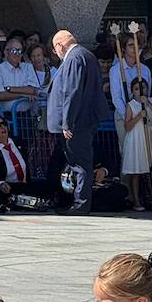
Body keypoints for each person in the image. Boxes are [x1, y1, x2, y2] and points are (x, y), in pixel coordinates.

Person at [47, 31, 107, 214]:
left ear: (59, 46)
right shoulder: (86, 54)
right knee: (80, 163)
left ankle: (81, 204)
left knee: (80, 164)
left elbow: (72, 91)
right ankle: (79, 202)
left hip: (77, 122)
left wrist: (67, 122)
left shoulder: (74, 58)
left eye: (55, 49)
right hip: (84, 119)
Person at [120, 78, 152, 211]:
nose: (140, 92)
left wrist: (147, 103)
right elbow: (127, 126)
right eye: (137, 89)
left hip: (149, 136)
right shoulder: (131, 105)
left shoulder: (151, 101)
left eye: (143, 89)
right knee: (136, 171)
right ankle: (136, 201)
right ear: (132, 91)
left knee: (151, 171)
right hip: (137, 138)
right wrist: (138, 116)